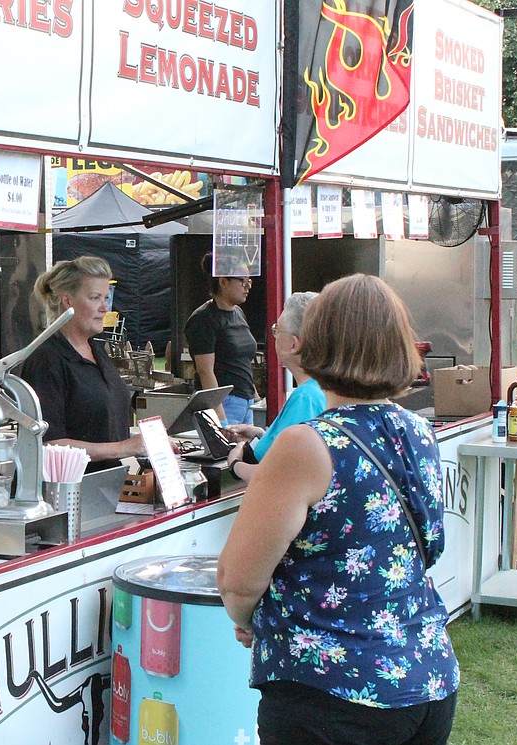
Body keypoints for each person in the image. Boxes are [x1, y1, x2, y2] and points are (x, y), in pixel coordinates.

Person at [218, 274, 458, 744]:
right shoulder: (418, 431)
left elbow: (238, 581)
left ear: (314, 343)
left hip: (331, 692)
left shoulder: (306, 446)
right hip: (425, 673)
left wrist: (252, 621)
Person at [20, 256, 145, 472]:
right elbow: (50, 444)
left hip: (109, 486)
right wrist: (124, 448)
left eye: (106, 298)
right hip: (68, 492)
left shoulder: (97, 350)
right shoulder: (47, 360)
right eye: (95, 298)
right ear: (67, 301)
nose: (104, 308)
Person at [224, 291, 325, 481]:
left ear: (294, 344)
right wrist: (263, 435)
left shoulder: (305, 397)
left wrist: (236, 464)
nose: (274, 336)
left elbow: (280, 473)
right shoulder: (319, 388)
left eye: (277, 330)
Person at [183, 258, 258, 426]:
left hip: (247, 400)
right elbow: (205, 371)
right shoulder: (203, 319)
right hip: (226, 403)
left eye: (249, 280)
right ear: (223, 281)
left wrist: (256, 398)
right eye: (242, 281)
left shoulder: (238, 312)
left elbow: (243, 363)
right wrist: (221, 418)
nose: (248, 286)